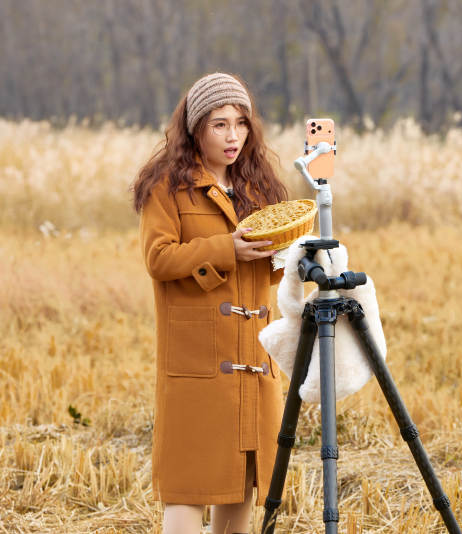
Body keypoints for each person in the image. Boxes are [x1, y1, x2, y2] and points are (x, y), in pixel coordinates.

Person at [132, 72, 288, 534]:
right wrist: (227, 248)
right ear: (195, 127)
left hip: (252, 358)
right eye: (220, 124)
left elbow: (266, 270)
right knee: (189, 486)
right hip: (198, 360)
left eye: (241, 123)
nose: (233, 135)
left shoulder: (259, 187)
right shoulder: (167, 186)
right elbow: (158, 259)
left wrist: (291, 255)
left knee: (241, 487)